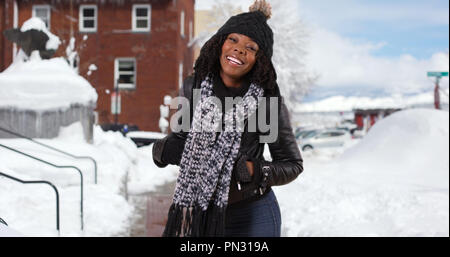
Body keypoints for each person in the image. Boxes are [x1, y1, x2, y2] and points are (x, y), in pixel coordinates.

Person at [152, 0, 303, 237]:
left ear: (259, 60)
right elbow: (183, 138)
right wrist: (165, 149)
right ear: (219, 43)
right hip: (201, 210)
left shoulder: (267, 100)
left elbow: (292, 164)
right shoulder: (195, 86)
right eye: (233, 40)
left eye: (251, 47)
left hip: (253, 213)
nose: (239, 49)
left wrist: (256, 171)